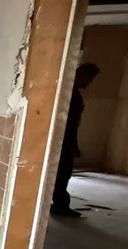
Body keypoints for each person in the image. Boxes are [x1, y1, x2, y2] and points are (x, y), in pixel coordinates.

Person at [51, 62, 100, 217]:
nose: (89, 84)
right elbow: (69, 125)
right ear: (81, 75)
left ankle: (59, 204)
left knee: (61, 173)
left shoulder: (69, 93)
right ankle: (60, 206)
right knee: (63, 173)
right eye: (89, 80)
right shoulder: (71, 96)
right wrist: (72, 145)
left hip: (62, 141)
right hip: (63, 141)